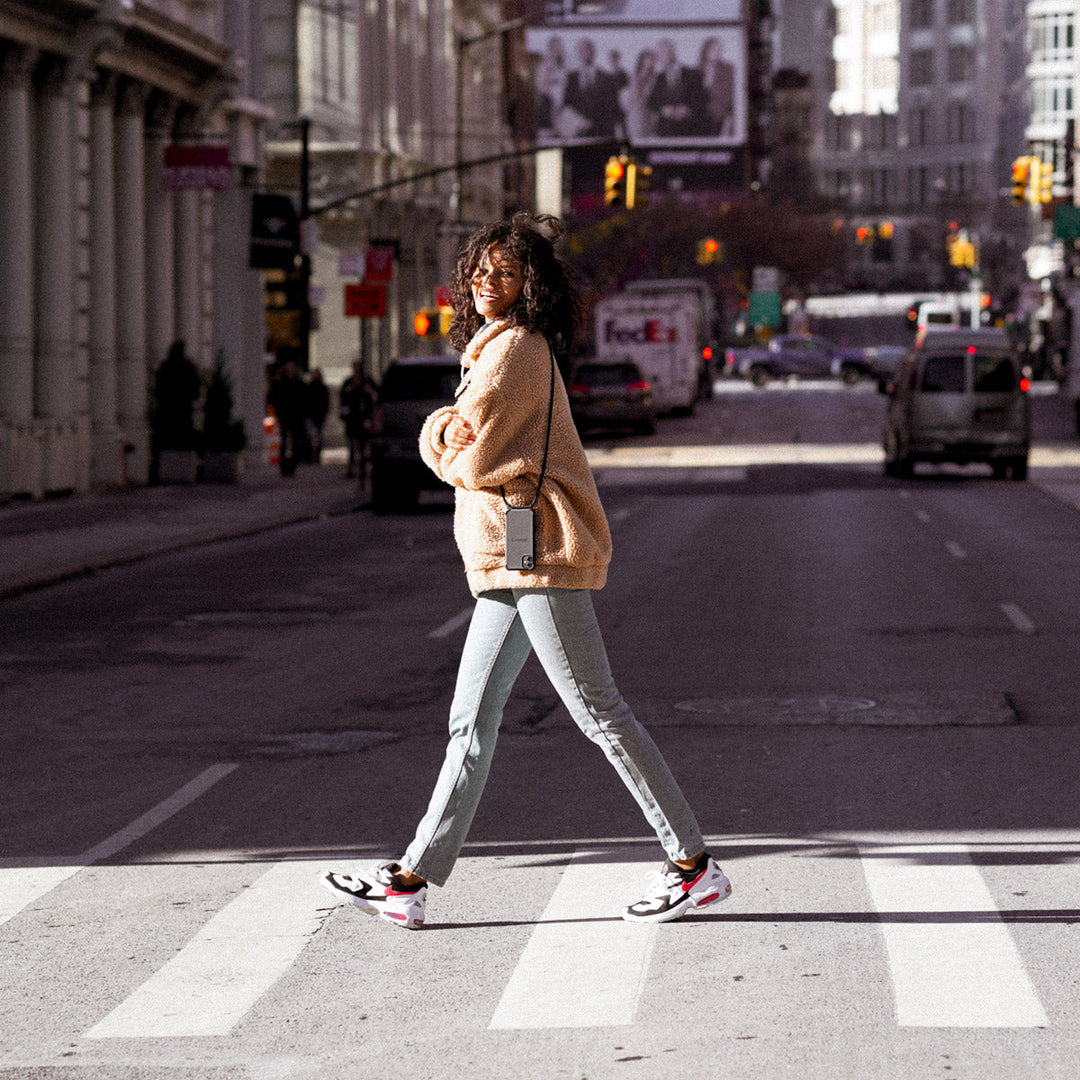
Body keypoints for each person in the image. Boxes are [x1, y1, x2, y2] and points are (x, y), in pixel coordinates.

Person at [320, 213, 730, 929]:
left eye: (504, 273)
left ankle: (692, 865)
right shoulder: (494, 349)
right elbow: (469, 442)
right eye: (479, 270)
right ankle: (411, 880)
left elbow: (472, 459)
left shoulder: (514, 349)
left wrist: (433, 433)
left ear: (529, 287)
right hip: (513, 552)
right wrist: (451, 430)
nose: (486, 282)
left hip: (535, 549)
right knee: (469, 720)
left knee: (598, 710)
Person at [338, 359, 377, 483]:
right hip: (352, 420)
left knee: (364, 446)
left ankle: (363, 469)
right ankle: (352, 468)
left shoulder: (367, 383)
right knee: (352, 446)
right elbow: (343, 399)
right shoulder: (349, 384)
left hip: (364, 419)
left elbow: (374, 397)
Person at [304, 368, 330, 464]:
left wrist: (324, 413)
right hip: (311, 415)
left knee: (318, 437)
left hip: (319, 416)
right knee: (310, 437)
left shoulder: (322, 387)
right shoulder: (310, 387)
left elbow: (326, 402)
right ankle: (310, 457)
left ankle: (317, 457)